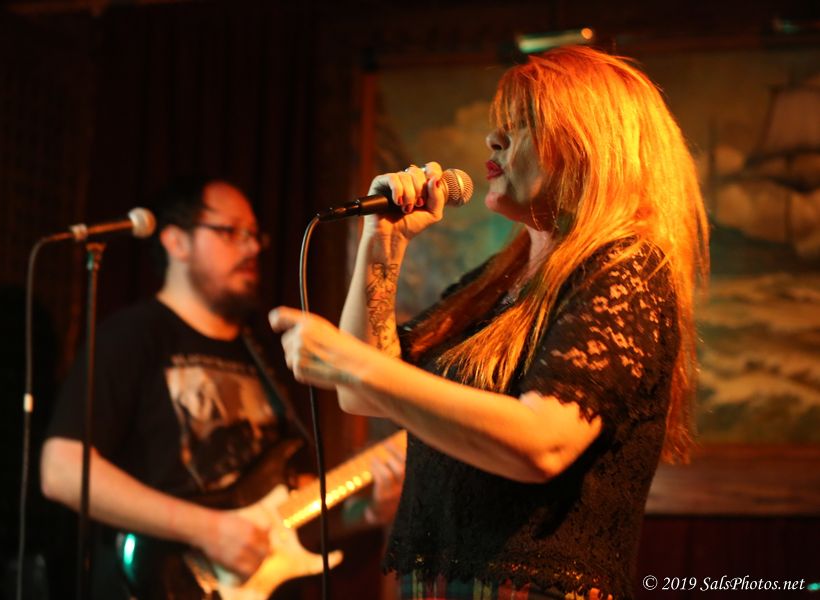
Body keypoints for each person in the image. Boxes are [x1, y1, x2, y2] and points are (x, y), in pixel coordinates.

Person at [269, 46, 709, 600]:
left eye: (522, 124)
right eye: (499, 125)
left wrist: (351, 362)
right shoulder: (499, 280)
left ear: (589, 146)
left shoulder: (627, 269)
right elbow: (362, 395)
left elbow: (543, 443)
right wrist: (383, 243)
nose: (493, 140)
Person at [40, 178, 404, 599]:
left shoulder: (266, 352)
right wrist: (207, 529)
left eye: (254, 235)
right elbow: (61, 469)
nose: (251, 248)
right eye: (230, 232)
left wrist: (365, 513)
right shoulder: (131, 337)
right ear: (176, 242)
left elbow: (286, 509)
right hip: (159, 582)